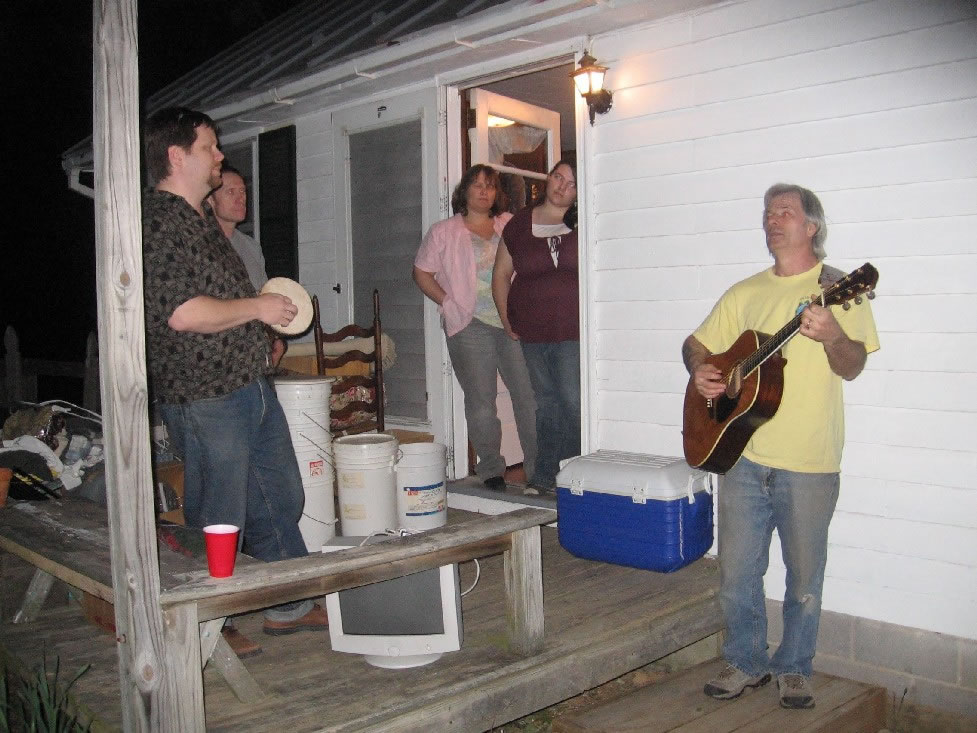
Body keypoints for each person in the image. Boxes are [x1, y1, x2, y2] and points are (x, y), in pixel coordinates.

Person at [682, 183, 879, 709]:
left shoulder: (839, 288)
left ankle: (794, 668)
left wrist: (833, 335)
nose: (774, 219)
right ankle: (745, 662)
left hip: (809, 461)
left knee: (804, 578)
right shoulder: (745, 291)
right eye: (768, 213)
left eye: (786, 212)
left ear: (812, 226)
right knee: (736, 576)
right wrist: (700, 368)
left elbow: (854, 365)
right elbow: (695, 342)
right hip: (742, 456)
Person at [142, 107, 327, 651]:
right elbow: (183, 313)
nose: (219, 156)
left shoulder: (199, 218)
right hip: (205, 395)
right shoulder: (158, 222)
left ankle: (288, 603)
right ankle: (210, 624)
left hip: (248, 384)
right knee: (220, 513)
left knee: (279, 495)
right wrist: (257, 308)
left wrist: (262, 323)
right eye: (210, 147)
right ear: (177, 156)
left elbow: (225, 302)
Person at [413, 164, 538, 491]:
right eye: (477, 185)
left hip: (512, 321)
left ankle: (539, 468)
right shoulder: (444, 231)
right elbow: (422, 273)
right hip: (470, 324)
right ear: (464, 191)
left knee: (528, 396)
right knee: (482, 401)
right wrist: (448, 302)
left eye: (490, 186)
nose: (484, 191)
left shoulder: (508, 224)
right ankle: (492, 469)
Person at [492, 159, 579, 495]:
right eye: (558, 177)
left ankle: (571, 475)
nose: (562, 186)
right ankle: (544, 476)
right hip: (532, 328)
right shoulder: (519, 224)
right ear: (548, 178)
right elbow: (500, 275)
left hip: (574, 328)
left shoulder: (583, 220)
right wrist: (505, 317)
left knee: (571, 400)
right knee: (545, 402)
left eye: (571, 183)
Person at [208, 163, 286, 367]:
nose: (240, 198)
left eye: (243, 191)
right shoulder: (202, 244)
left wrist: (276, 339)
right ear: (210, 200)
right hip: (218, 359)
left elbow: (264, 296)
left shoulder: (251, 247)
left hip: (254, 357)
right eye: (231, 192)